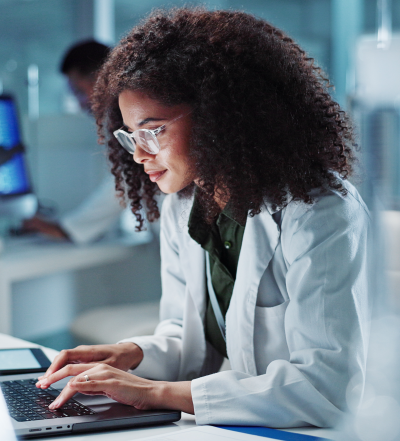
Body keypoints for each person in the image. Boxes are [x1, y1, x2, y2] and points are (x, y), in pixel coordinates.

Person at [35, 8, 370, 428]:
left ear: (219, 116)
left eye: (152, 130)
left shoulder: (318, 210)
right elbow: (188, 340)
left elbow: (324, 388)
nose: (138, 155)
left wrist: (153, 393)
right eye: (129, 135)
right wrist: (132, 354)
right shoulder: (184, 204)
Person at [22, 40, 128, 244]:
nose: (80, 104)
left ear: (102, 78)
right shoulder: (121, 118)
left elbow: (124, 182)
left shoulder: (130, 117)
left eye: (80, 91)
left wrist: (68, 228)